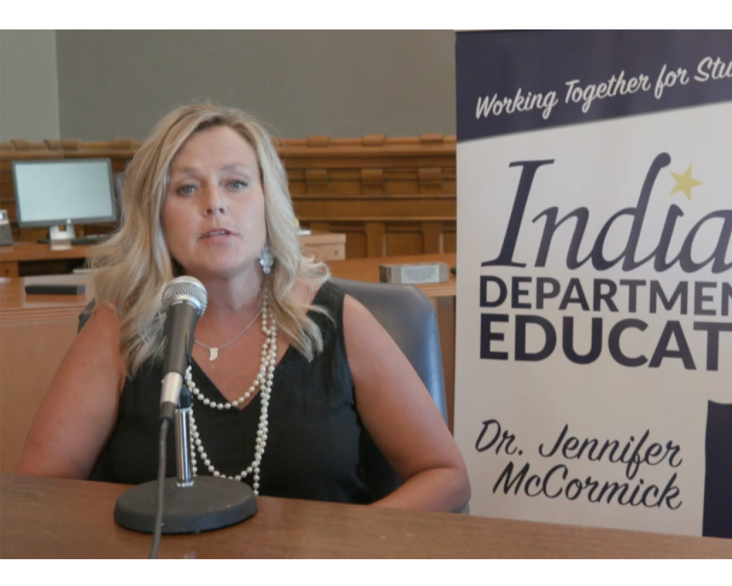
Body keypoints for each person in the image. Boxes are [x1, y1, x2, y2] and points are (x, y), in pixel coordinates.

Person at [15, 104, 470, 513]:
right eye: (187, 188)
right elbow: (40, 490)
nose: (215, 204)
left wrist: (344, 554)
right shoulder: (120, 329)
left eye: (236, 183)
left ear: (268, 203)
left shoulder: (338, 321)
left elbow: (446, 476)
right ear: (156, 214)